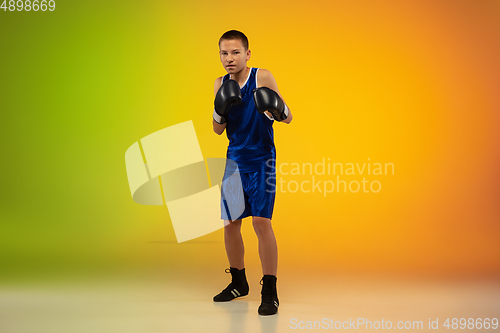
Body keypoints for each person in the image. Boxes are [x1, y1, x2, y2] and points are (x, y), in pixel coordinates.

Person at [211, 30, 293, 316]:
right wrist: (220, 108)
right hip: (235, 160)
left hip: (262, 161)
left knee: (261, 222)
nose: (229, 58)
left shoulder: (262, 76)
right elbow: (218, 129)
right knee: (231, 223)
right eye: (224, 53)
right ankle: (238, 282)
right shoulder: (220, 83)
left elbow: (289, 117)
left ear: (247, 54)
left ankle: (269, 290)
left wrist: (275, 108)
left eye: (235, 52)